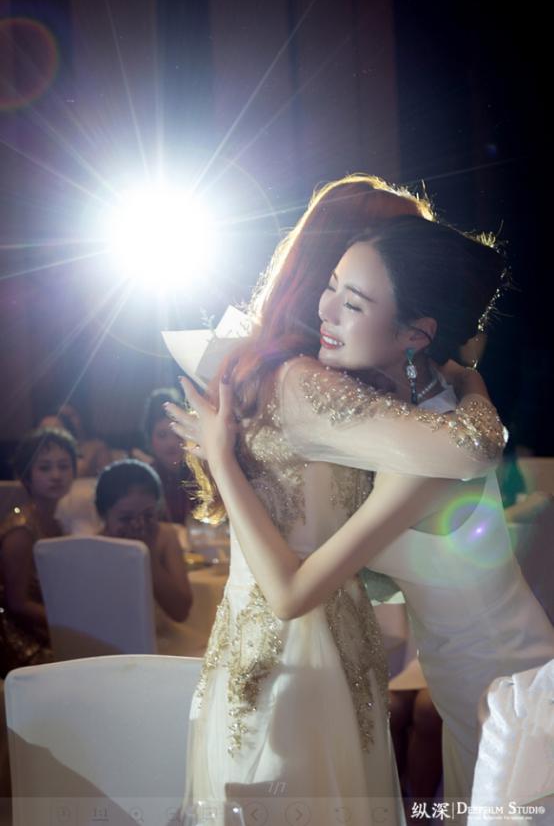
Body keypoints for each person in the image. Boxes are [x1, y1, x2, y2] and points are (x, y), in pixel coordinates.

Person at [174, 216, 554, 823]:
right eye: (330, 286)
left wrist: (221, 458)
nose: (325, 311)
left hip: (509, 694)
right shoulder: (425, 411)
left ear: (415, 334)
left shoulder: (428, 454)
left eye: (352, 303)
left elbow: (291, 593)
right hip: (469, 689)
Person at [0, 427, 77, 673]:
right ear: (27, 475)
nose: (56, 475)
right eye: (44, 468)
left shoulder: (57, 520)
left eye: (64, 466)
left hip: (47, 625)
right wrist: (71, 623)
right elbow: (17, 603)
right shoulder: (21, 530)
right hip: (20, 640)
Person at [95, 460, 193, 633]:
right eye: (125, 518)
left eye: (148, 515)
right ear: (103, 514)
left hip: (160, 635)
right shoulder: (95, 547)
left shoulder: (165, 537)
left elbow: (181, 612)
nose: (138, 525)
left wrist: (149, 555)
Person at [134, 388, 197, 525]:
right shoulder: (143, 482)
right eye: (162, 435)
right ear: (150, 439)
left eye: (177, 434)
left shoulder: (201, 476)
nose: (171, 443)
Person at [38, 403, 112, 478]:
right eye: (62, 416)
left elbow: (109, 478)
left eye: (70, 416)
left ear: (81, 416)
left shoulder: (97, 447)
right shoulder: (43, 453)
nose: (66, 419)